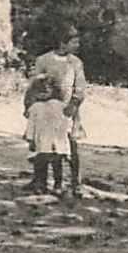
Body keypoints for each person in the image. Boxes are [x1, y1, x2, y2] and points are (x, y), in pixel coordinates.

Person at [31, 27, 88, 195]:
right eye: (74, 42)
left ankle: (75, 182)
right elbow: (35, 86)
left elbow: (80, 88)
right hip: (46, 108)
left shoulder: (76, 63)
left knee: (70, 144)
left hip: (67, 108)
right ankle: (40, 180)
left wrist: (73, 105)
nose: (78, 45)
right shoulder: (43, 60)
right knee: (43, 142)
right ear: (63, 43)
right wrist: (40, 97)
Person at [23, 72, 72, 195]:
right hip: (58, 142)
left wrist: (30, 140)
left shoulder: (35, 107)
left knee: (42, 164)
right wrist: (66, 138)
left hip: (43, 142)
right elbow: (67, 124)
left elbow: (31, 126)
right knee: (57, 164)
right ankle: (57, 185)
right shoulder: (62, 106)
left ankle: (42, 184)